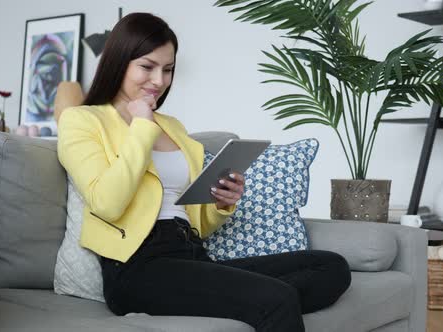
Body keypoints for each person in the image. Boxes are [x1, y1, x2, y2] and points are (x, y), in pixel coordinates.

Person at [57, 12, 351, 332]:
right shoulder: (83, 120)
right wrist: (141, 126)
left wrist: (223, 203)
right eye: (147, 67)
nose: (159, 80)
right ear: (119, 62)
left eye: (168, 69)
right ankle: (262, 304)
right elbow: (108, 203)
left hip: (191, 255)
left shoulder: (174, 128)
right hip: (136, 268)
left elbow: (197, 222)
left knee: (331, 267)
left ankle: (249, 303)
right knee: (276, 299)